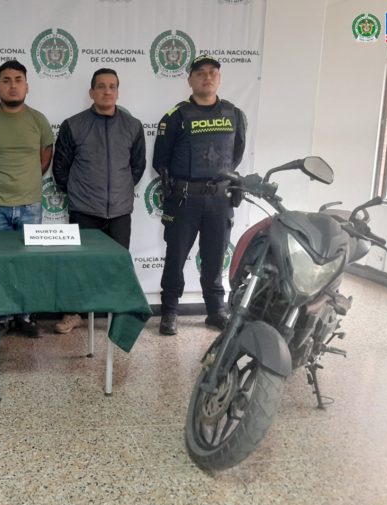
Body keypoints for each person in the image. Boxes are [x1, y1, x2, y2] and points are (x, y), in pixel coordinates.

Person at [152, 55, 247, 336]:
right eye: (201, 73)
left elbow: (236, 155)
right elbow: (161, 159)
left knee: (215, 257)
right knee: (176, 256)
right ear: (190, 80)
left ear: (219, 78)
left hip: (219, 199)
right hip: (184, 200)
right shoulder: (176, 116)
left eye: (213, 73)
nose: (207, 77)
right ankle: (169, 311)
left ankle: (216, 310)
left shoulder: (234, 114)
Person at [52, 68, 146, 334]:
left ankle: (117, 313)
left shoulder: (133, 126)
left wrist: (120, 190)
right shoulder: (73, 125)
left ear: (117, 91)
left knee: (117, 266)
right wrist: (80, 193)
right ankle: (72, 314)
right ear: (91, 92)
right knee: (78, 265)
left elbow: (137, 167)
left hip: (119, 211)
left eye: (112, 86)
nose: (107, 91)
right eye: (101, 86)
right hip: (84, 210)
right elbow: (61, 169)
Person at [0, 60, 54, 338]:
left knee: (28, 264)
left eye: (18, 79)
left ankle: (26, 316)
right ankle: (2, 315)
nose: (13, 85)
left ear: (27, 86)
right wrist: (1, 184)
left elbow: (44, 161)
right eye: (6, 80)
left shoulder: (38, 120)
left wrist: (24, 182)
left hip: (30, 204)